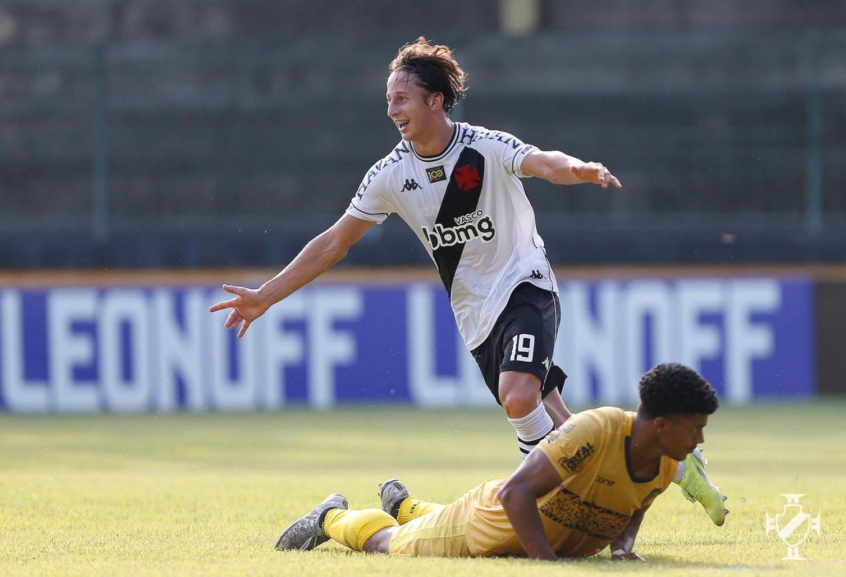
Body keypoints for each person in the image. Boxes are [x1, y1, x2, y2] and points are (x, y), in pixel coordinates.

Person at [208, 37, 725, 523]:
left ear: (435, 100)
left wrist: (580, 168)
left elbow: (543, 162)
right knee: (561, 426)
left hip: (525, 285)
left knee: (518, 397)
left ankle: (552, 507)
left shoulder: (485, 147)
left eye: (401, 99)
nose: (391, 110)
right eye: (388, 100)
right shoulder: (390, 174)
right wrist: (266, 296)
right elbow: (333, 243)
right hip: (475, 315)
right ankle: (675, 463)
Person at [274, 363, 722, 561]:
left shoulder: (666, 460)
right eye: (695, 428)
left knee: (425, 522)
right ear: (661, 424)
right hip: (489, 527)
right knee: (387, 544)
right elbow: (515, 493)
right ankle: (330, 517)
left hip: (527, 529)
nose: (700, 439)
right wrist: (546, 563)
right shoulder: (597, 430)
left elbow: (634, 503)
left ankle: (406, 506)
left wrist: (622, 549)